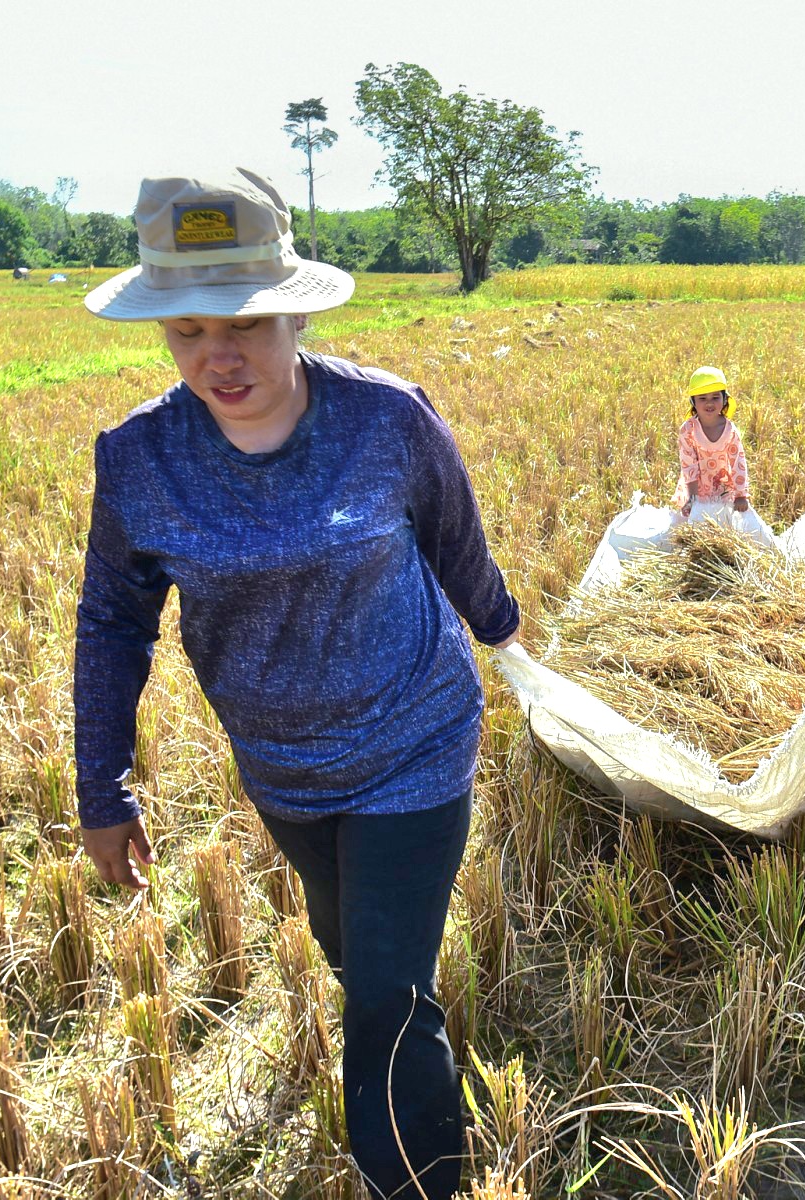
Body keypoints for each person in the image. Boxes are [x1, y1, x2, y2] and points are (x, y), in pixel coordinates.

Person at [75, 168, 518, 1198]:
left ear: (295, 311)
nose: (217, 355)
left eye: (246, 322)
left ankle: (416, 1179)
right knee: (352, 952)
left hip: (415, 742)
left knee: (383, 989)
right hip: (282, 767)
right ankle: (425, 1067)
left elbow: (458, 546)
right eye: (184, 330)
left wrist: (508, 637)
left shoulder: (387, 421)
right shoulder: (139, 459)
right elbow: (111, 622)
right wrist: (102, 790)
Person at [672, 365, 776, 548]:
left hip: (722, 486)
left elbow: (738, 463)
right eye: (702, 398)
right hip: (696, 486)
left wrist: (741, 495)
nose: (709, 403)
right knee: (695, 528)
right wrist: (692, 498)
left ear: (725, 399)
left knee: (724, 529)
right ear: (693, 401)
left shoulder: (730, 431)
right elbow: (688, 465)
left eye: (715, 397)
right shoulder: (687, 430)